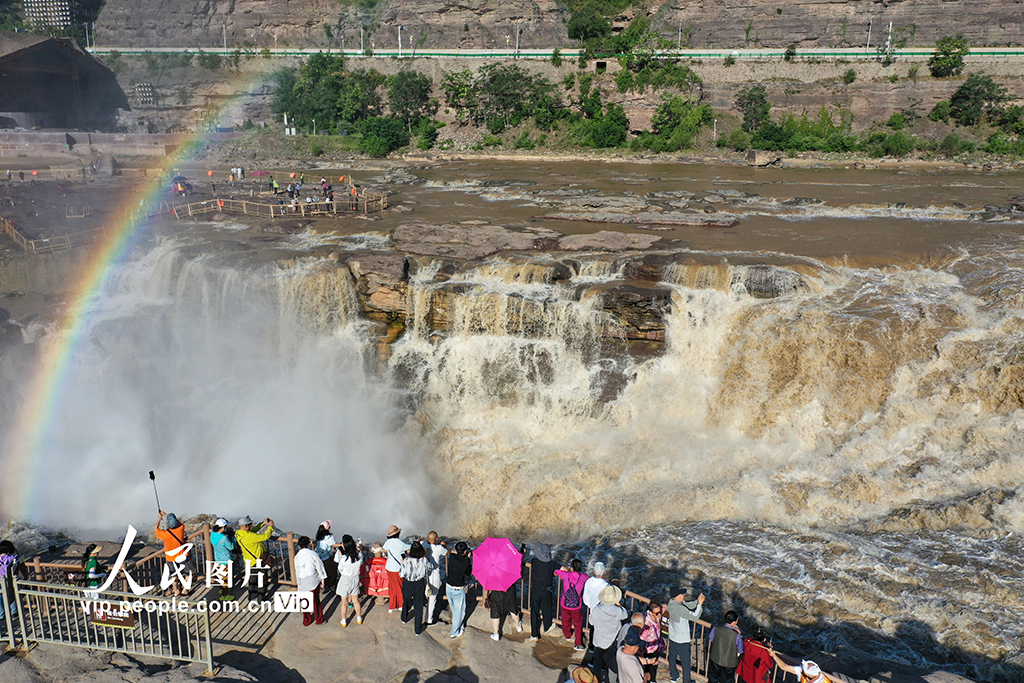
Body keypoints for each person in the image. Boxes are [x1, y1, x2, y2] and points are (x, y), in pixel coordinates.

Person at [591, 585, 628, 683]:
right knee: (612, 667)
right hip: (611, 643)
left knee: (597, 664)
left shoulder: (596, 610)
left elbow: (591, 622)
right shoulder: (618, 611)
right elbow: (625, 615)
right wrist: (620, 605)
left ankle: (596, 680)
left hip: (598, 641)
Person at [666, 590, 705, 683]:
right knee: (686, 662)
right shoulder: (679, 609)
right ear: (678, 596)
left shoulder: (671, 603)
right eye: (683, 595)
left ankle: (674, 676)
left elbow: (687, 605)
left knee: (672, 658)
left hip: (673, 637)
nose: (684, 596)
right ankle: (686, 681)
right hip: (682, 640)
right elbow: (695, 617)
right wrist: (700, 605)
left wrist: (697, 601)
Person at [236, 515, 275, 600]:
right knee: (262, 580)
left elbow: (252, 531)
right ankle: (261, 599)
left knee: (253, 579)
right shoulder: (250, 536)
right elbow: (265, 536)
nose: (251, 526)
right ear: (246, 525)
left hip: (249, 560)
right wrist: (270, 527)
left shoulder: (239, 533)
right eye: (250, 524)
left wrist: (262, 524)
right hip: (258, 560)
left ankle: (252, 597)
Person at [399, 540, 433, 635]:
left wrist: (402, 563)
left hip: (408, 584)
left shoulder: (407, 560)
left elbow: (401, 574)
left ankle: (404, 618)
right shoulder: (424, 560)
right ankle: (417, 630)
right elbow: (430, 569)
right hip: (419, 584)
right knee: (419, 606)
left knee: (406, 601)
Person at [554, 558, 589, 650]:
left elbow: (556, 570)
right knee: (578, 624)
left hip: (564, 604)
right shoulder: (583, 577)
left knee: (565, 620)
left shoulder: (565, 575)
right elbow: (588, 578)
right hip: (577, 606)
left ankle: (567, 635)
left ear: (571, 568)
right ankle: (578, 643)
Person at [153, 510, 188, 597]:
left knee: (174, 575)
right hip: (182, 555)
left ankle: (176, 591)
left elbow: (155, 529)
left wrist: (159, 518)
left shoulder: (164, 534)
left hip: (170, 558)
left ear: (168, 525)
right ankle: (184, 589)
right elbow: (179, 523)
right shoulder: (181, 528)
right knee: (190, 572)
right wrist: (166, 515)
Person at [294, 536, 327, 626]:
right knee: (316, 601)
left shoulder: (297, 557)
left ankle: (306, 620)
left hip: (302, 581)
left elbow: (297, 570)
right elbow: (320, 567)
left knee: (305, 603)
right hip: (313, 581)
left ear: (299, 545)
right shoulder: (313, 554)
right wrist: (322, 580)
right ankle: (319, 619)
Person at [528, 542, 557, 641]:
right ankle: (547, 627)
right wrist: (555, 573)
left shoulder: (534, 561)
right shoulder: (552, 564)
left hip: (535, 589)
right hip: (546, 591)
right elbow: (564, 569)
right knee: (546, 610)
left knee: (534, 611)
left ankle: (534, 634)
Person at [335, 534, 364, 627]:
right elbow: (360, 559)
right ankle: (359, 618)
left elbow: (341, 568)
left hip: (345, 580)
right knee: (356, 601)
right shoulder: (359, 556)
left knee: (344, 603)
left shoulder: (344, 559)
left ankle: (344, 621)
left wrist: (340, 556)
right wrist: (360, 549)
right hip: (356, 579)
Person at [445, 541, 472, 639]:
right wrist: (468, 558)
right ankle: (454, 632)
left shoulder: (452, 557)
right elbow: (468, 573)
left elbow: (451, 552)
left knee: (454, 610)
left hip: (448, 587)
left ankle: (458, 625)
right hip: (458, 590)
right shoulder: (465, 562)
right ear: (464, 552)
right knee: (459, 613)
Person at [708, 610, 743, 683]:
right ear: (733, 622)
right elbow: (740, 650)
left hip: (716, 658)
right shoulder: (737, 636)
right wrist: (740, 634)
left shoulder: (716, 628)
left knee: (713, 677)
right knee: (728, 680)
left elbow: (711, 638)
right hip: (729, 662)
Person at [382, 525, 410, 613]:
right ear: (398, 533)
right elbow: (409, 547)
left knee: (393, 587)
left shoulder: (388, 542)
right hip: (397, 569)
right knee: (400, 587)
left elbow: (384, 549)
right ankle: (401, 605)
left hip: (389, 568)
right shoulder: (400, 543)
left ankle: (392, 606)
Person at [0, 540, 27, 629]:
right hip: (10, 580)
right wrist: (16, 551)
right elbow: (22, 558)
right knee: (12, 594)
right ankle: (14, 611)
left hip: (0, 580)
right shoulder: (13, 557)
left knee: (0, 596)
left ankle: (1, 614)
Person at [583, 561, 609, 652]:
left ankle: (591, 647)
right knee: (601, 632)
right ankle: (599, 648)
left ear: (594, 572)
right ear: (605, 572)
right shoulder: (606, 586)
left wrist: (590, 605)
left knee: (592, 629)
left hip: (593, 611)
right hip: (603, 613)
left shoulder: (589, 581)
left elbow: (585, 597)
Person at [424, 531, 447, 626]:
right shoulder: (439, 548)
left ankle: (421, 616)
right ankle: (429, 619)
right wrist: (444, 545)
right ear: (436, 539)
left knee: (423, 596)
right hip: (435, 576)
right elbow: (447, 552)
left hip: (424, 575)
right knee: (432, 598)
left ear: (427, 539)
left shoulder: (423, 545)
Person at [210, 519, 236, 600]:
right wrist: (233, 539)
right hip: (226, 560)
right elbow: (231, 547)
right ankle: (224, 595)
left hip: (218, 559)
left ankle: (223, 589)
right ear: (223, 527)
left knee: (221, 576)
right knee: (225, 579)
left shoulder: (213, 534)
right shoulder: (224, 538)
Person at [768, 653, 839, 683]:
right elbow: (784, 667)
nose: (806, 679)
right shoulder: (804, 672)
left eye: (809, 678)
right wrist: (774, 656)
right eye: (805, 676)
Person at [640, 603, 666, 682]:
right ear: (650, 613)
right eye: (657, 613)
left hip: (655, 648)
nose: (659, 615)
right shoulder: (646, 624)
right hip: (647, 651)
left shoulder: (656, 616)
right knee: (647, 672)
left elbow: (663, 609)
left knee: (653, 670)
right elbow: (641, 639)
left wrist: (664, 607)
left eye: (660, 612)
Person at [314, 521, 337, 591]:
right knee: (332, 571)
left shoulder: (318, 536)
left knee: (321, 571)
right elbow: (334, 544)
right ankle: (331, 585)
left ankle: (323, 584)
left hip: (318, 557)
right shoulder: (330, 537)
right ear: (328, 528)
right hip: (326, 557)